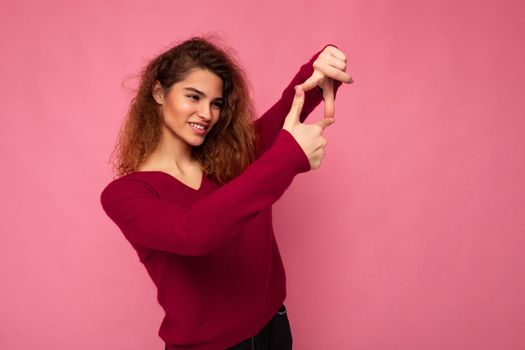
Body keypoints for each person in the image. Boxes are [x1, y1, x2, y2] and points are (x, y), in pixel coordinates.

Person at [100, 35, 352, 350]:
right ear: (159, 92)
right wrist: (288, 158)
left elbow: (284, 114)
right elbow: (191, 233)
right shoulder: (126, 194)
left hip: (275, 328)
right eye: (193, 96)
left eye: (216, 103)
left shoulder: (231, 158)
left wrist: (318, 72)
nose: (207, 113)